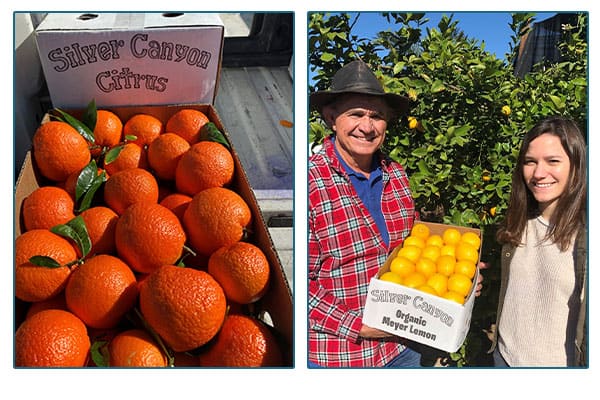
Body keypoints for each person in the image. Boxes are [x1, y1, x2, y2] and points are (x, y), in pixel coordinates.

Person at [308, 60, 486, 367]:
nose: (367, 126)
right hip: (341, 357)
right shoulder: (311, 184)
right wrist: (360, 326)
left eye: (376, 116)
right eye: (356, 114)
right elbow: (301, 285)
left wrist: (461, 274)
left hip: (403, 348)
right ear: (331, 118)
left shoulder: (397, 175)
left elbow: (413, 250)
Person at [488, 117, 587, 367]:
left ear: (576, 165)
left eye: (553, 161)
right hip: (505, 359)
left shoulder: (585, 236)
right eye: (530, 162)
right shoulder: (519, 222)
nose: (538, 173)